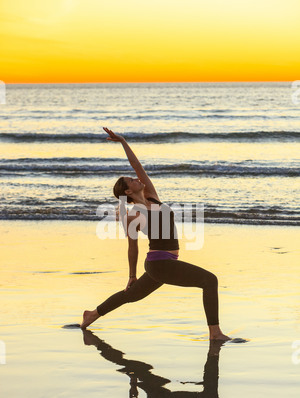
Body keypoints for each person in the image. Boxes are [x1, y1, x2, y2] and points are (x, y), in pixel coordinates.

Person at [81, 128, 230, 341]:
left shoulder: (152, 197)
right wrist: (131, 275)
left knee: (131, 296)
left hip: (163, 263)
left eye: (134, 178)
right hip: (160, 264)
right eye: (132, 180)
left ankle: (92, 314)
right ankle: (215, 333)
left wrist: (123, 141)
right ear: (128, 192)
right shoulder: (132, 216)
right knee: (210, 280)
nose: (136, 179)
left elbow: (137, 165)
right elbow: (132, 247)